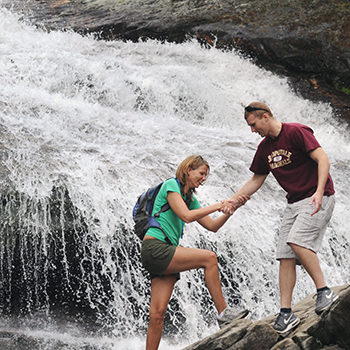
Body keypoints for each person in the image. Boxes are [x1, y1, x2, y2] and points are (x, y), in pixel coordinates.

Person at [224, 102, 338, 334]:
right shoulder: (264, 149)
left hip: (318, 196)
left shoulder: (295, 131)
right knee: (285, 255)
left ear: (265, 116)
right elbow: (257, 179)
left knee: (297, 241)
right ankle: (286, 312)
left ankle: (324, 291)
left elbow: (323, 159)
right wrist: (234, 200)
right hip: (294, 202)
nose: (252, 130)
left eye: (254, 124)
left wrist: (318, 191)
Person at [141, 155, 250, 350]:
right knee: (209, 258)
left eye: (206, 175)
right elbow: (186, 216)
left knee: (157, 316)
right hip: (156, 248)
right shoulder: (171, 186)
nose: (204, 178)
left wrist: (231, 208)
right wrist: (218, 204)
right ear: (188, 169)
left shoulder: (189, 199)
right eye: (201, 173)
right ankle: (224, 313)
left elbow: (212, 226)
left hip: (164, 254)